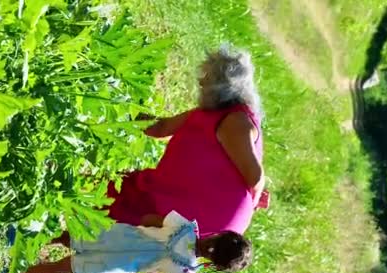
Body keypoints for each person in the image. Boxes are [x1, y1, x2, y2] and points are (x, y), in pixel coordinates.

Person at [107, 45, 269, 240]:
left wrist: (253, 200)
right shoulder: (211, 113)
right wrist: (119, 111)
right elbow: (161, 127)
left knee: (117, 203)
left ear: (222, 88)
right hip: (182, 196)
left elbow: (256, 177)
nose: (201, 82)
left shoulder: (234, 123)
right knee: (121, 205)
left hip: (206, 216)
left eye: (207, 78)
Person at [20, 211, 252, 273]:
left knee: (66, 238)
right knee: (63, 268)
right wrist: (152, 265)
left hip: (115, 238)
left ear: (218, 234)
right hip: (114, 265)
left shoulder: (184, 227)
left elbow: (149, 218)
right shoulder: (183, 271)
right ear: (214, 265)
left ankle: (22, 238)